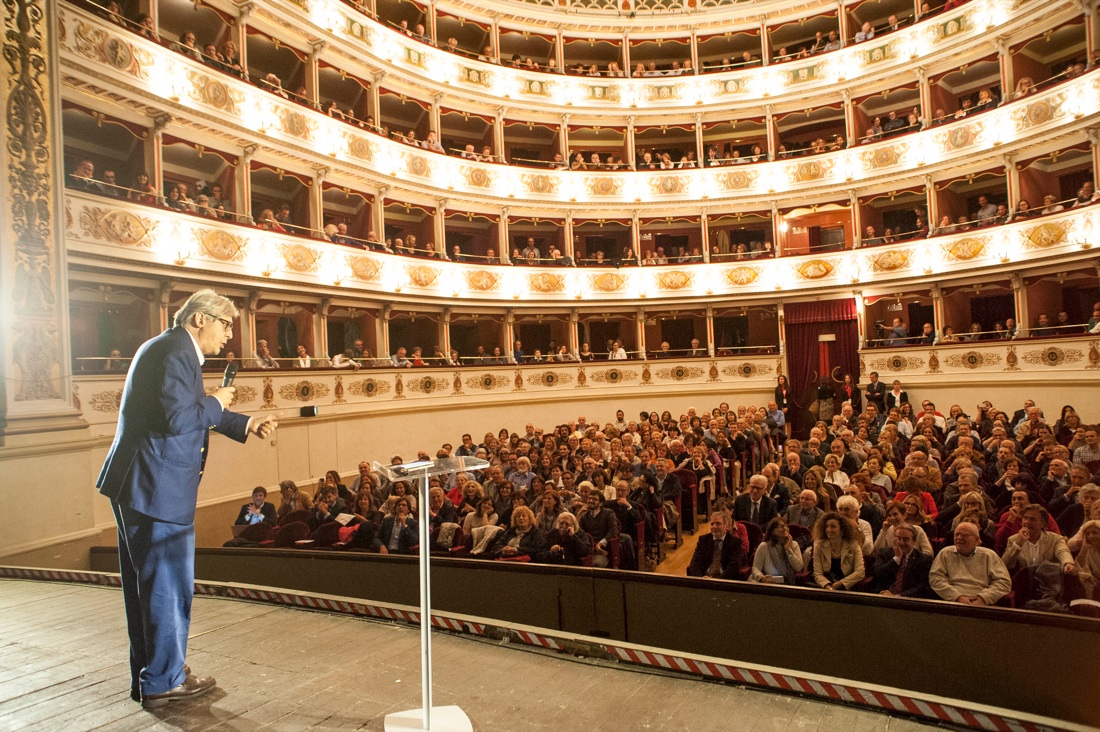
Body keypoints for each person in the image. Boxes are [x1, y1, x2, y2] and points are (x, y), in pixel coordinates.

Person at [97, 290, 279, 708]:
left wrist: (245, 422)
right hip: (157, 489)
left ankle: (153, 675)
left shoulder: (167, 347)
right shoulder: (176, 353)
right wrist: (216, 401)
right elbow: (182, 418)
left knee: (146, 589)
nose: (230, 335)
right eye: (226, 324)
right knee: (166, 589)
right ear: (200, 319)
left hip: (141, 485)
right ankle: (163, 680)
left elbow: (179, 410)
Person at [929, 521, 1012, 605]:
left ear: (976, 540)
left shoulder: (989, 555)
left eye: (965, 535)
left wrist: (984, 598)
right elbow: (935, 578)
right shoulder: (945, 553)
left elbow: (1003, 582)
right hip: (951, 602)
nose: (959, 538)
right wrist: (957, 597)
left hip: (983, 604)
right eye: (956, 534)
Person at [871, 523, 934, 597]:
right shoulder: (884, 552)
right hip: (882, 596)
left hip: (908, 601)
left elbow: (921, 587)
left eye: (905, 539)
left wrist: (897, 597)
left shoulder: (924, 559)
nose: (901, 542)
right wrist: (896, 559)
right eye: (898, 538)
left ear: (914, 541)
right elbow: (877, 574)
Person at [811, 512, 866, 590]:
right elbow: (817, 573)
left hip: (847, 586)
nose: (829, 530)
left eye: (833, 526)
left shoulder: (853, 545)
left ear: (842, 530)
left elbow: (860, 572)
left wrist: (839, 584)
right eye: (826, 526)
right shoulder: (818, 545)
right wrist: (828, 586)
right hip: (825, 586)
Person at [687, 512, 743, 579]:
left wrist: (717, 580)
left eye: (718, 524)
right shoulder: (703, 540)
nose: (714, 526)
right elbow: (695, 563)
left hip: (724, 580)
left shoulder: (735, 542)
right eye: (712, 524)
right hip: (704, 578)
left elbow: (734, 566)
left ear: (726, 525)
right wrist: (701, 578)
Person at [750, 517, 804, 583]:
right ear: (772, 531)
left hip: (788, 584)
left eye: (786, 526)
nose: (785, 528)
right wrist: (762, 578)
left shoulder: (794, 545)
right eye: (781, 526)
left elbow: (799, 568)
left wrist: (788, 549)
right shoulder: (764, 546)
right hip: (768, 583)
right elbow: (755, 568)